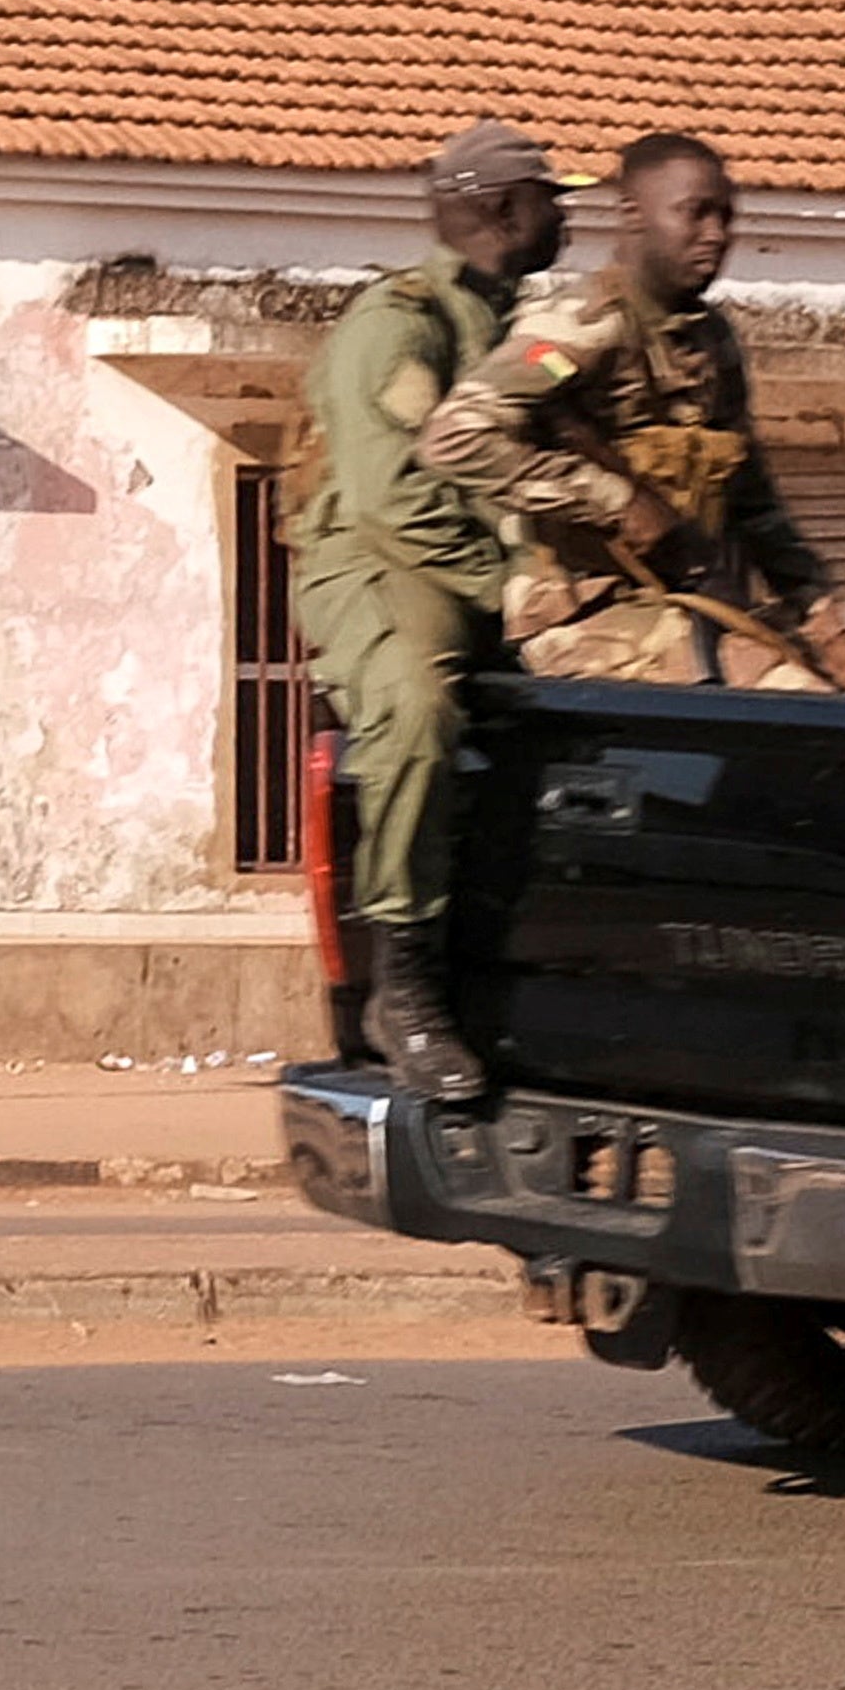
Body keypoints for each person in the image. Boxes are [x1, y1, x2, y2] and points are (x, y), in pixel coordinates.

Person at [288, 119, 564, 1106]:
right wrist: (505, 592)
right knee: (416, 700)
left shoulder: (522, 327)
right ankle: (401, 984)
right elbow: (389, 498)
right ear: (501, 207)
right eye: (548, 195)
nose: (563, 212)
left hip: (488, 564)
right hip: (376, 561)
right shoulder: (400, 321)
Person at [424, 131, 845, 690]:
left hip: (690, 601)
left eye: (726, 218)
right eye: (695, 214)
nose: (716, 235)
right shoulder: (582, 322)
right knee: (796, 699)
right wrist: (617, 500)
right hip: (583, 612)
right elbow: (456, 436)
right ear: (633, 213)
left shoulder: (711, 339)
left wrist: (823, 618)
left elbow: (754, 505)